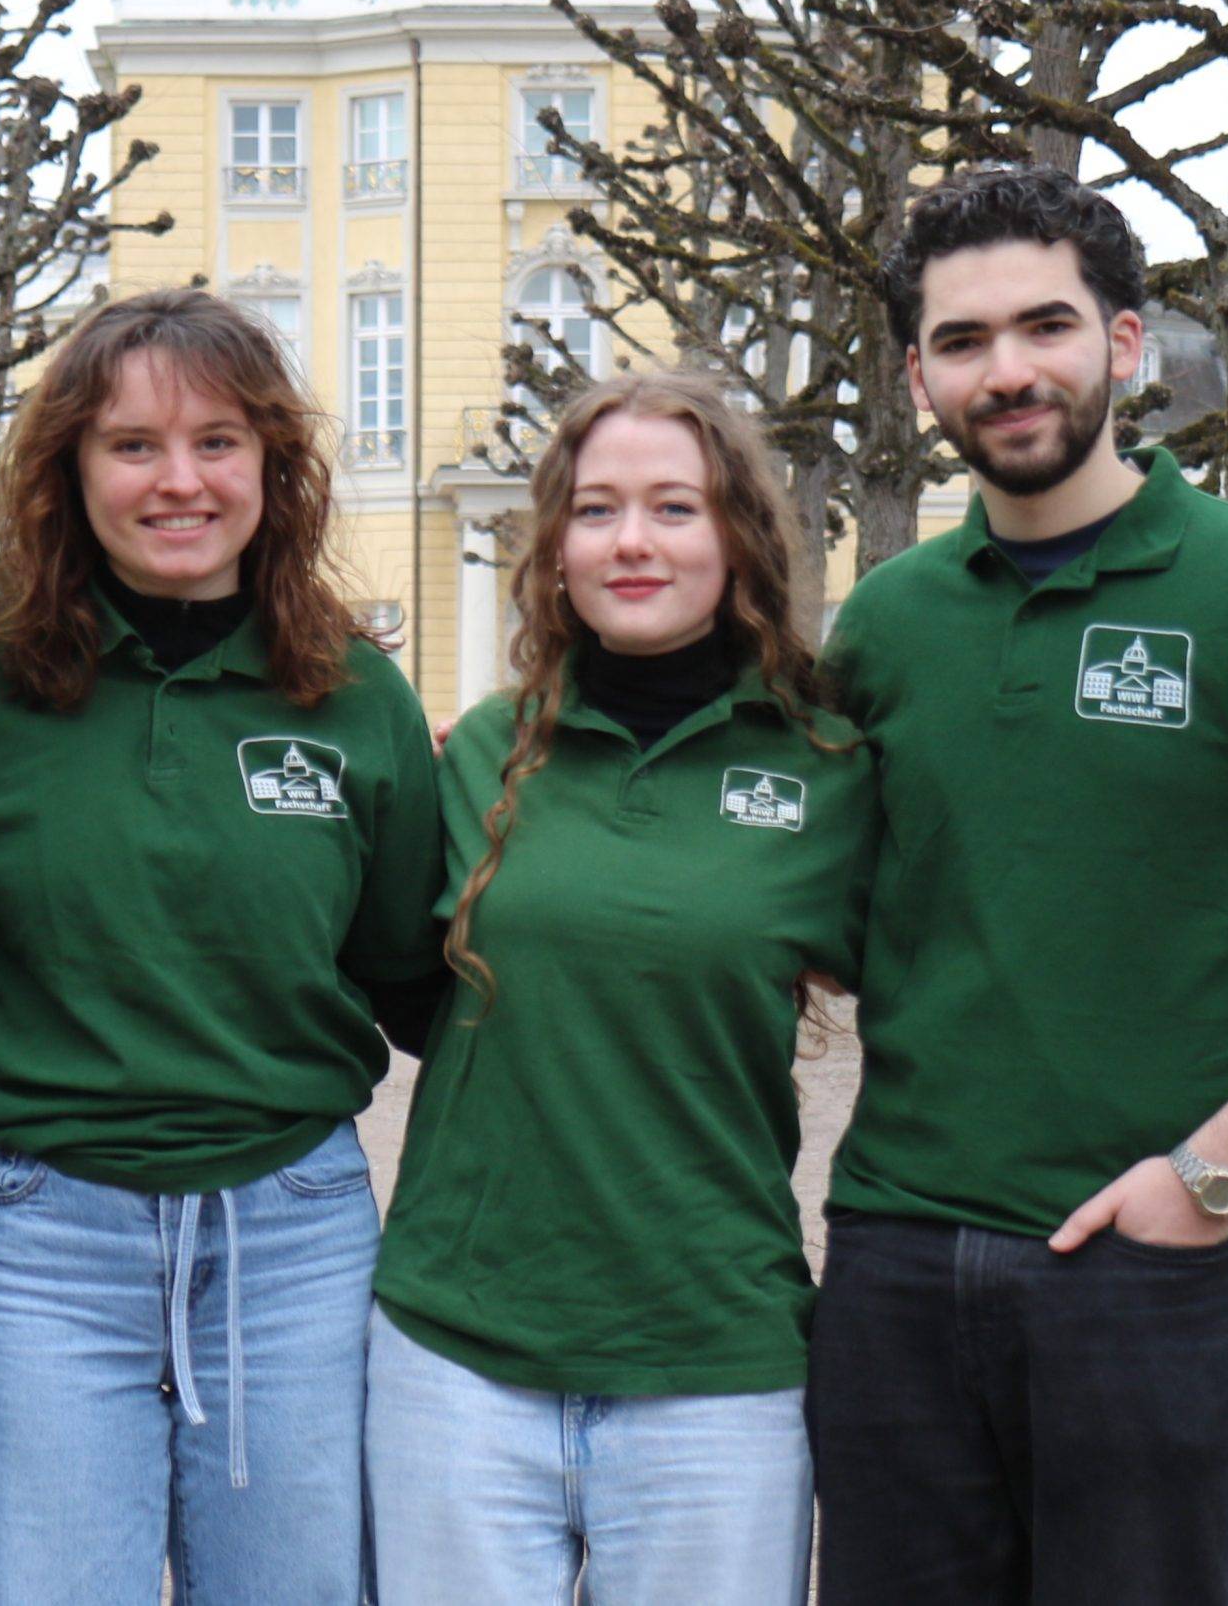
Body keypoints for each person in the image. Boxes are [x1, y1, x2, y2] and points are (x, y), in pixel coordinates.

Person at [809, 162, 1228, 1606]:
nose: (1008, 370)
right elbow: (850, 921)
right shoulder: (884, 625)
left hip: (1164, 1264)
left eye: (1046, 326)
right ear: (920, 378)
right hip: (899, 1257)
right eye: (963, 342)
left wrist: (1216, 1167)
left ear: (1123, 345)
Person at [0, 288, 445, 1604]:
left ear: (274, 466)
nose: (181, 480)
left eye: (219, 442)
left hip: (294, 1235)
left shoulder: (354, 692)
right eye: (134, 445)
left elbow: (423, 983)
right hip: (44, 1239)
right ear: (70, 470)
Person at [365, 372, 876, 1603]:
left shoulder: (830, 772)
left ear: (739, 538)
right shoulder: (482, 752)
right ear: (555, 547)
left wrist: (1227, 961)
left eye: (674, 508)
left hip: (716, 1361)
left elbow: (974, 973)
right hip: (458, 1353)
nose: (631, 541)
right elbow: (389, 978)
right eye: (595, 512)